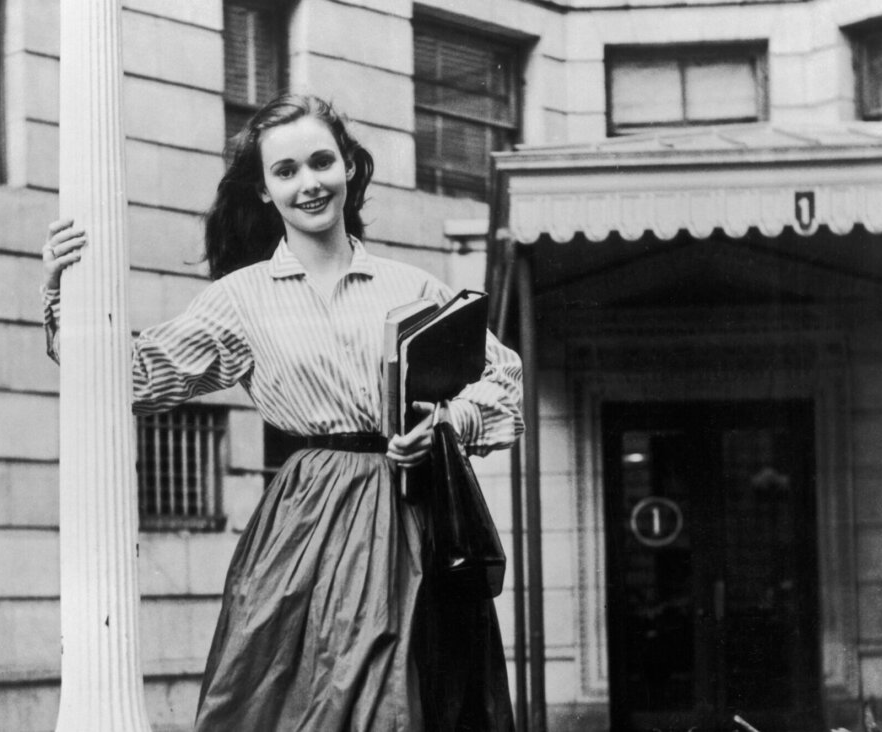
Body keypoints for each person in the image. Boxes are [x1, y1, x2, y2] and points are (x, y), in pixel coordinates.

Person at [40, 93, 523, 731]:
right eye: (285, 171)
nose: (308, 184)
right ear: (266, 191)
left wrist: (447, 424)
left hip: (417, 523)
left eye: (322, 162)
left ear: (349, 166)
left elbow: (504, 378)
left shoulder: (415, 288)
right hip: (306, 532)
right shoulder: (239, 300)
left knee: (406, 706)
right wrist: (59, 296)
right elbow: (129, 377)